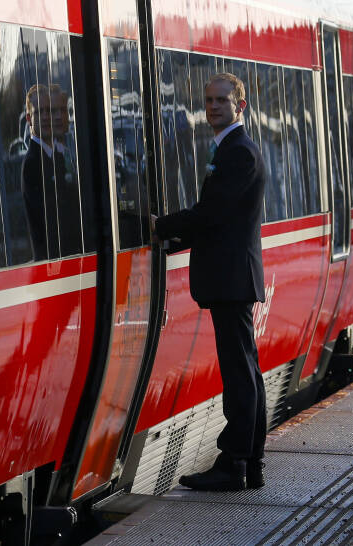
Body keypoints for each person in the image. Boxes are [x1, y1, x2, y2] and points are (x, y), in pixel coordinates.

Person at [150, 72, 267, 492]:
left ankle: (235, 462)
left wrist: (161, 227)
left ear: (241, 105)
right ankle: (249, 461)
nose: (213, 106)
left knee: (239, 374)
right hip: (232, 277)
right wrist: (177, 237)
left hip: (231, 279)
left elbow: (211, 214)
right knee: (246, 370)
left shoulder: (238, 153)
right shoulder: (233, 150)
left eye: (222, 100)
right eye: (209, 100)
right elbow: (219, 219)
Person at [22, 83, 82, 260]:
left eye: (49, 110)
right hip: (54, 265)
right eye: (39, 112)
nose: (47, 117)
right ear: (29, 119)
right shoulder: (32, 164)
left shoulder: (56, 157)